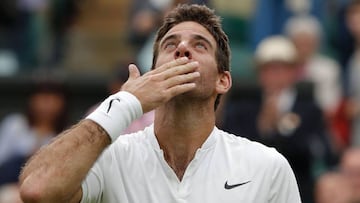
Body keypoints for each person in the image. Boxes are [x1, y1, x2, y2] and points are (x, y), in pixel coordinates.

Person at [19, 4, 301, 203]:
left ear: (222, 81)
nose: (182, 48)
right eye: (170, 45)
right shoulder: (108, 158)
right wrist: (124, 102)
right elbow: (36, 191)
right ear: (151, 74)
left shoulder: (268, 167)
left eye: (200, 45)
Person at [222, 36, 334, 203]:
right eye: (268, 69)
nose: (275, 75)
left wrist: (281, 127)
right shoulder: (243, 107)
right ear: (258, 73)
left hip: (297, 186)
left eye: (282, 68)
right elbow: (231, 147)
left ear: (294, 72)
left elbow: (319, 152)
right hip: (249, 187)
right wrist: (263, 126)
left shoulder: (309, 108)